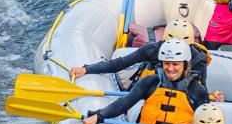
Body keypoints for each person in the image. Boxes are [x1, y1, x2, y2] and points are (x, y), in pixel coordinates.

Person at [83, 40, 210, 124]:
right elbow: (124, 103)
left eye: (175, 64)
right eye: (167, 63)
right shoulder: (150, 82)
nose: (170, 69)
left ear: (185, 65)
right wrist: (98, 116)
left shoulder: (197, 91)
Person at [70, 17, 212, 85]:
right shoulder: (153, 50)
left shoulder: (198, 58)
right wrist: (87, 69)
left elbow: (202, 87)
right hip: (153, 90)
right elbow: (120, 63)